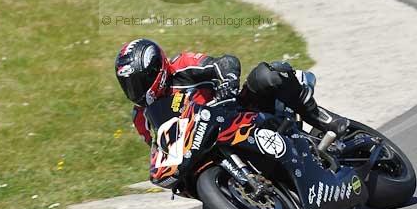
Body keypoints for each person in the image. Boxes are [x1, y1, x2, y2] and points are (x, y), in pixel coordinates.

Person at [114, 38, 346, 146]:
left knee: (266, 75)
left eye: (138, 81)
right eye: (128, 85)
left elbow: (225, 63)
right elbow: (158, 149)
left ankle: (320, 118)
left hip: (239, 114)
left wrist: (228, 83)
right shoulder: (140, 118)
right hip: (204, 150)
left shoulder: (182, 66)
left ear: (157, 69)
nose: (135, 90)